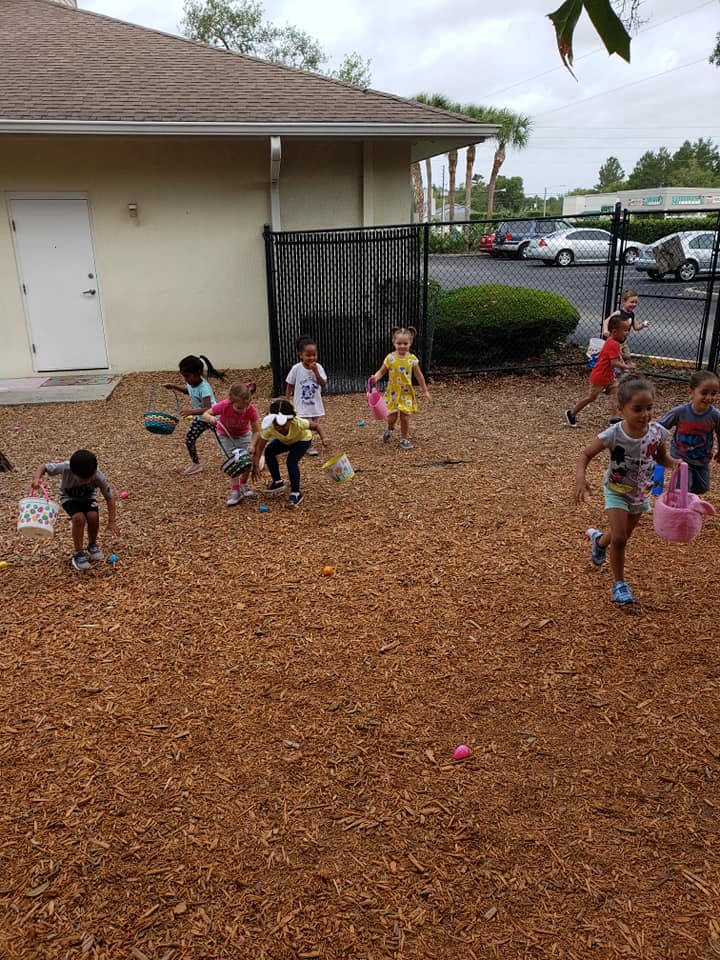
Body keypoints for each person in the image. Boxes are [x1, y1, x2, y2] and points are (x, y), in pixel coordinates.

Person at [574, 374, 678, 606]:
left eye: (649, 408)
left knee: (622, 535)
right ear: (621, 409)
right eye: (638, 409)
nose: (645, 414)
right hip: (616, 490)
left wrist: (674, 464)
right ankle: (619, 584)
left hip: (641, 492)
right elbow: (586, 454)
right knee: (620, 538)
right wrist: (581, 478)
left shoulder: (657, 432)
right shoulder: (614, 434)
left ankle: (600, 542)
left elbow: (661, 456)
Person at [31, 449, 119, 572]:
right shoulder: (65, 467)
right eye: (82, 480)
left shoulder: (99, 477)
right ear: (73, 472)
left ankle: (92, 545)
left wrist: (112, 521)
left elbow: (109, 498)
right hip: (69, 498)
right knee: (79, 518)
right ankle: (78, 553)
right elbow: (43, 467)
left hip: (88, 498)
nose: (88, 481)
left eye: (90, 478)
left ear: (95, 470)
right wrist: (36, 479)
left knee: (93, 516)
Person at [565, 316, 636, 426]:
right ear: (614, 331)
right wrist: (627, 367)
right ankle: (572, 413)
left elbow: (616, 359)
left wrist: (623, 366)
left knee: (616, 393)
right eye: (625, 330)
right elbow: (614, 363)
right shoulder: (613, 343)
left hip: (608, 376)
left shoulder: (613, 342)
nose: (627, 333)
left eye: (628, 330)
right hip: (600, 376)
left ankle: (614, 418)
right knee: (591, 397)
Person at [658, 370, 720, 494]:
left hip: (702, 458)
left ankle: (688, 502)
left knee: (702, 488)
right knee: (683, 489)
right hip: (681, 459)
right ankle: (681, 510)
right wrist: (656, 447)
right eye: (704, 393)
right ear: (691, 392)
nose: (709, 397)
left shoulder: (715, 415)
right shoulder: (679, 412)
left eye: (713, 393)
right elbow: (660, 428)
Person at [369, 326, 431, 450]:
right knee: (392, 417)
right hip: (393, 392)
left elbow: (419, 376)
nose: (402, 346)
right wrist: (375, 377)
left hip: (406, 393)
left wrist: (425, 391)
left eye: (405, 343)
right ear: (394, 342)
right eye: (399, 343)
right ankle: (390, 427)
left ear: (410, 343)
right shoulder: (390, 358)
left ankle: (404, 438)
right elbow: (382, 371)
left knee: (405, 417)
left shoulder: (412, 360)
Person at [164, 354, 224, 476]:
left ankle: (236, 458)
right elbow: (188, 391)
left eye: (188, 376)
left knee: (224, 441)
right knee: (190, 440)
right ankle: (196, 464)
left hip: (213, 418)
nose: (186, 379)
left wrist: (191, 411)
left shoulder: (204, 387)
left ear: (199, 373)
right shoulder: (192, 384)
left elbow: (208, 408)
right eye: (184, 376)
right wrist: (174, 386)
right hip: (201, 419)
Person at [252, 398, 318, 507]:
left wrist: (324, 438)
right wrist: (255, 463)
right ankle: (277, 482)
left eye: (283, 426)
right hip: (285, 440)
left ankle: (296, 493)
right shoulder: (270, 428)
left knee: (291, 462)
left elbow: (316, 426)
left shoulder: (298, 423)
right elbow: (260, 447)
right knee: (269, 451)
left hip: (302, 440)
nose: (279, 429)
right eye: (276, 426)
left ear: (290, 420)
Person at [201, 381, 259, 507]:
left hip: (244, 435)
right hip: (226, 435)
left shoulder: (251, 410)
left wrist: (253, 444)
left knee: (247, 460)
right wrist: (210, 418)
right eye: (239, 408)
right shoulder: (224, 405)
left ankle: (243, 483)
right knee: (235, 461)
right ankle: (235, 490)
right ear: (231, 401)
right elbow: (205, 414)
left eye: (245, 407)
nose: (242, 410)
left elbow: (256, 431)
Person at [285, 335, 329, 456]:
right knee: (304, 426)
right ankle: (307, 446)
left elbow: (323, 383)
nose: (311, 358)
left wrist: (315, 372)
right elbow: (290, 384)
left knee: (312, 425)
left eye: (314, 355)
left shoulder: (318, 368)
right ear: (301, 355)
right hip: (301, 405)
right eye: (308, 355)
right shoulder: (296, 369)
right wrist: (287, 399)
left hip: (314, 404)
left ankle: (301, 443)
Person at [601, 288, 648, 361]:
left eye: (636, 302)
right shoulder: (619, 313)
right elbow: (606, 321)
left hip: (623, 341)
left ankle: (623, 369)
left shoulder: (632, 314)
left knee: (627, 356)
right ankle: (617, 369)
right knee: (615, 358)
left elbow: (636, 327)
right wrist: (605, 330)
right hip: (614, 340)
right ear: (623, 302)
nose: (634, 304)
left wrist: (643, 325)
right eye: (632, 302)